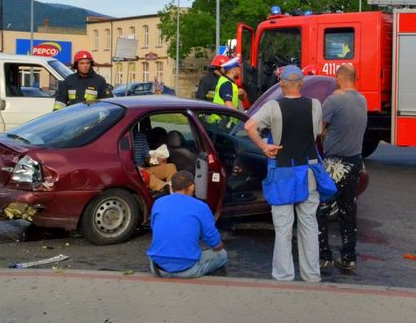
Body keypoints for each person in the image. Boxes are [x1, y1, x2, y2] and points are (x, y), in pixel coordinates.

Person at [244, 64, 324, 282]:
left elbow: (249, 126)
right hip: (308, 172)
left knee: (283, 228)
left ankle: (284, 275)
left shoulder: (272, 107)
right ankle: (312, 275)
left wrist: (264, 146)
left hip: (283, 172)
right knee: (309, 226)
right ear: (301, 84)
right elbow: (317, 132)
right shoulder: (315, 105)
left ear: (281, 84)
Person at [317, 64, 368, 274]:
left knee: (320, 209)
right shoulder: (362, 100)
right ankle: (348, 257)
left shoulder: (334, 100)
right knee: (348, 211)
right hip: (355, 161)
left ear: (339, 78)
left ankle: (324, 257)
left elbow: (318, 129)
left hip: (335, 164)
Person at [146, 170, 227, 278]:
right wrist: (219, 246)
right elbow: (212, 238)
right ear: (192, 187)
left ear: (171, 188)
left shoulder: (158, 203)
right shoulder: (200, 206)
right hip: (188, 269)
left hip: (158, 268)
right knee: (222, 255)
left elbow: (154, 227)